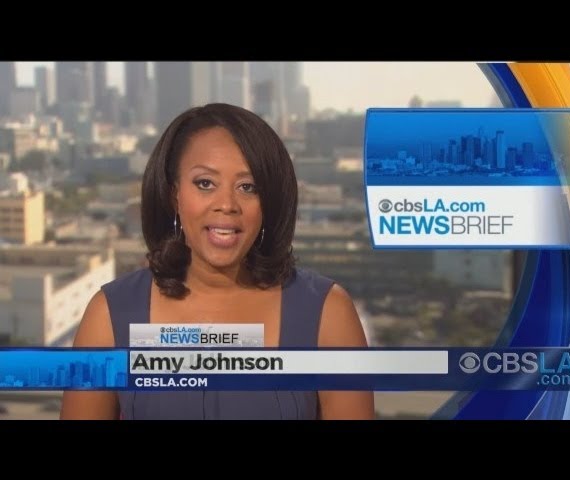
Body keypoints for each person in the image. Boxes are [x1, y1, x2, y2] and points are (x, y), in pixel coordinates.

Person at [60, 103, 374, 420]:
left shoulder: (327, 313)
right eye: (205, 183)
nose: (226, 205)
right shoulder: (109, 315)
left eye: (248, 187)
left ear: (268, 202)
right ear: (174, 195)